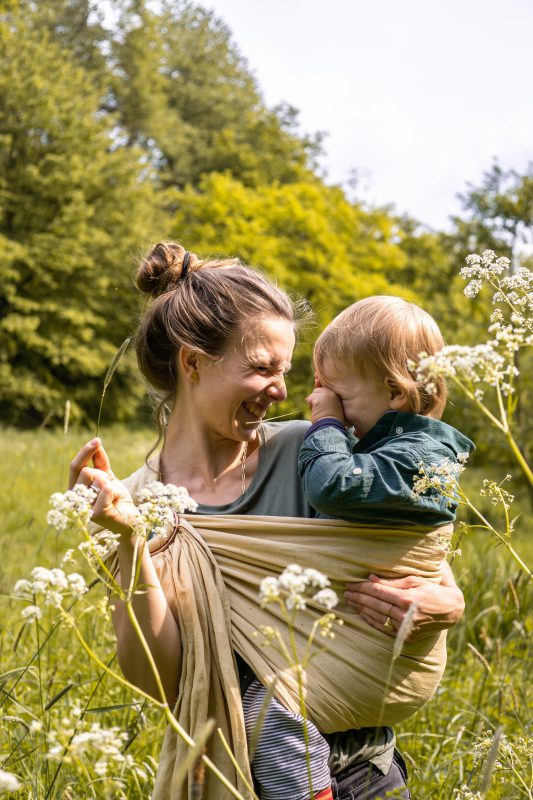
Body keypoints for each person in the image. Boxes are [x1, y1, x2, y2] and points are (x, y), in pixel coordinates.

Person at [68, 242, 465, 800]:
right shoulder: (130, 502)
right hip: (228, 778)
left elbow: (413, 545)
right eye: (261, 369)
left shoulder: (317, 453)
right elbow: (162, 682)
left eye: (286, 370)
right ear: (193, 362)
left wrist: (447, 602)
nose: (284, 392)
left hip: (358, 774)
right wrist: (128, 542)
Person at [241, 296, 474, 800]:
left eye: (337, 395)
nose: (320, 403)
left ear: (393, 393)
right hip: (356, 648)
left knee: (269, 707)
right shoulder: (392, 449)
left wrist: (326, 428)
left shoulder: (419, 456)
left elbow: (334, 488)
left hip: (377, 664)